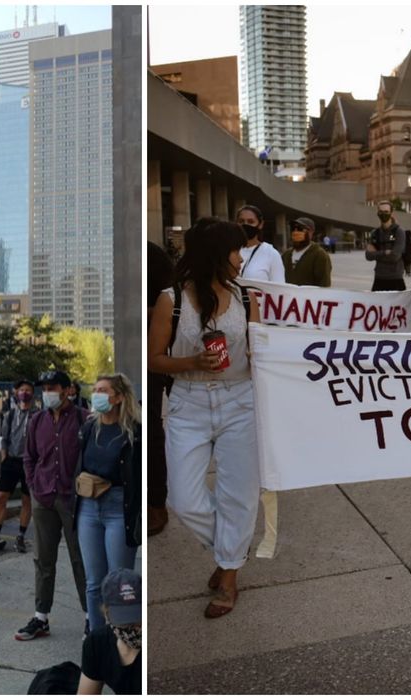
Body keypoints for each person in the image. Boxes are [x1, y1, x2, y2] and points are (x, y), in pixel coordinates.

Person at [148, 218, 261, 618]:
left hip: (240, 400)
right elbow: (153, 357)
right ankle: (231, 550)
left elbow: (260, 351)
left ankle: (228, 576)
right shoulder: (171, 299)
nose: (240, 257)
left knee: (239, 494)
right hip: (189, 403)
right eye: (235, 250)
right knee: (183, 497)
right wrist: (193, 361)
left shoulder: (246, 298)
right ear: (217, 254)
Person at [17, 369, 88, 641]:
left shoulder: (83, 419)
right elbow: (29, 457)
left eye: (53, 387)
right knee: (43, 560)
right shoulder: (36, 421)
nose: (48, 392)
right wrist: (34, 486)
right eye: (44, 387)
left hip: (74, 500)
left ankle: (91, 617)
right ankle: (41, 617)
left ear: (68, 389)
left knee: (80, 559)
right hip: (43, 497)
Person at [75, 374, 141, 632]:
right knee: (93, 582)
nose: (97, 395)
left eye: (103, 390)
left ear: (119, 397)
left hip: (118, 508)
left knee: (119, 581)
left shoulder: (134, 431)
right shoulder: (89, 427)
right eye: (95, 390)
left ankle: (122, 639)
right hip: (89, 506)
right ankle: (96, 637)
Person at [0, 379, 39, 553]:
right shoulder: (10, 414)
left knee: (27, 500)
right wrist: (4, 458)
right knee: (1, 496)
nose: (24, 393)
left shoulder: (37, 415)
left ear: (32, 393)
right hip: (11, 460)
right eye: (21, 390)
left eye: (28, 390)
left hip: (29, 463)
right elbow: (4, 438)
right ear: (16, 393)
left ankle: (21, 536)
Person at [77, 569, 142, 695]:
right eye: (124, 621)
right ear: (106, 614)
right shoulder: (97, 643)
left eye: (138, 617)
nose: (136, 626)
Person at [146, 242, 173, 537]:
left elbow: (173, 303)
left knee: (153, 428)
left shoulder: (154, 256)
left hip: (162, 350)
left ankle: (157, 504)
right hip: (138, 351)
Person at [235, 204, 284, 283]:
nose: (245, 224)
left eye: (250, 222)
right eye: (241, 221)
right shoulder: (229, 250)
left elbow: (279, 288)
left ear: (260, 224)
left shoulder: (271, 253)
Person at [366, 201, 407, 291]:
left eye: (386, 212)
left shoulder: (399, 232)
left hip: (395, 278)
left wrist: (376, 254)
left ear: (391, 213)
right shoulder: (374, 233)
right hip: (379, 278)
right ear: (377, 213)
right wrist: (385, 252)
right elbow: (368, 256)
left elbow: (395, 256)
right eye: (381, 212)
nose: (383, 214)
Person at [281, 217, 331, 287]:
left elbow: (324, 284)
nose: (296, 232)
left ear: (311, 232)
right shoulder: (286, 254)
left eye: (300, 229)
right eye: (293, 228)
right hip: (288, 296)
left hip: (309, 297)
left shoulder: (319, 255)